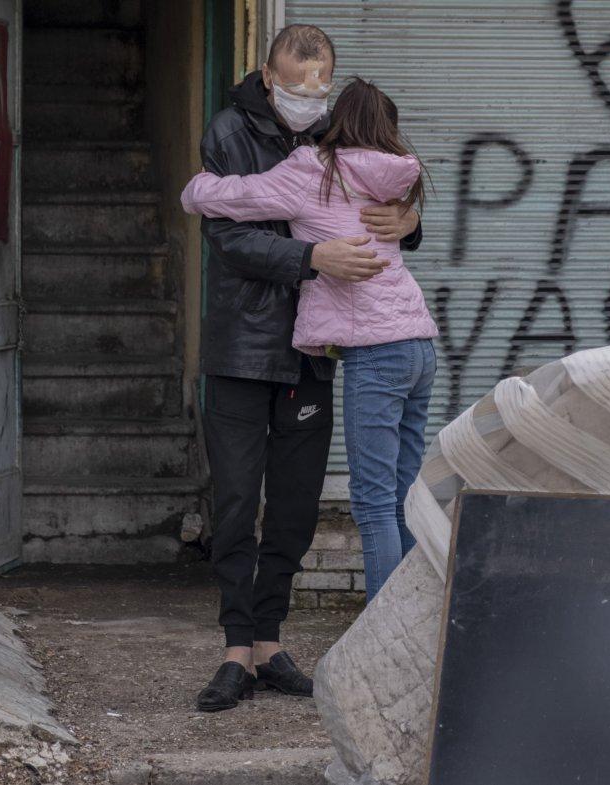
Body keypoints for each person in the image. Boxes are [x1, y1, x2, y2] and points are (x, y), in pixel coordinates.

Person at [192, 26, 423, 713]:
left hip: (314, 351)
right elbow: (225, 233)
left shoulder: (341, 135)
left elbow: (394, 207)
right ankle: (236, 646)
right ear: (268, 77)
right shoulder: (228, 131)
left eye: (319, 89)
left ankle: (269, 641)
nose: (308, 101)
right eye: (296, 89)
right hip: (240, 343)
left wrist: (406, 222)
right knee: (236, 500)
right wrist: (310, 260)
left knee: (293, 507)